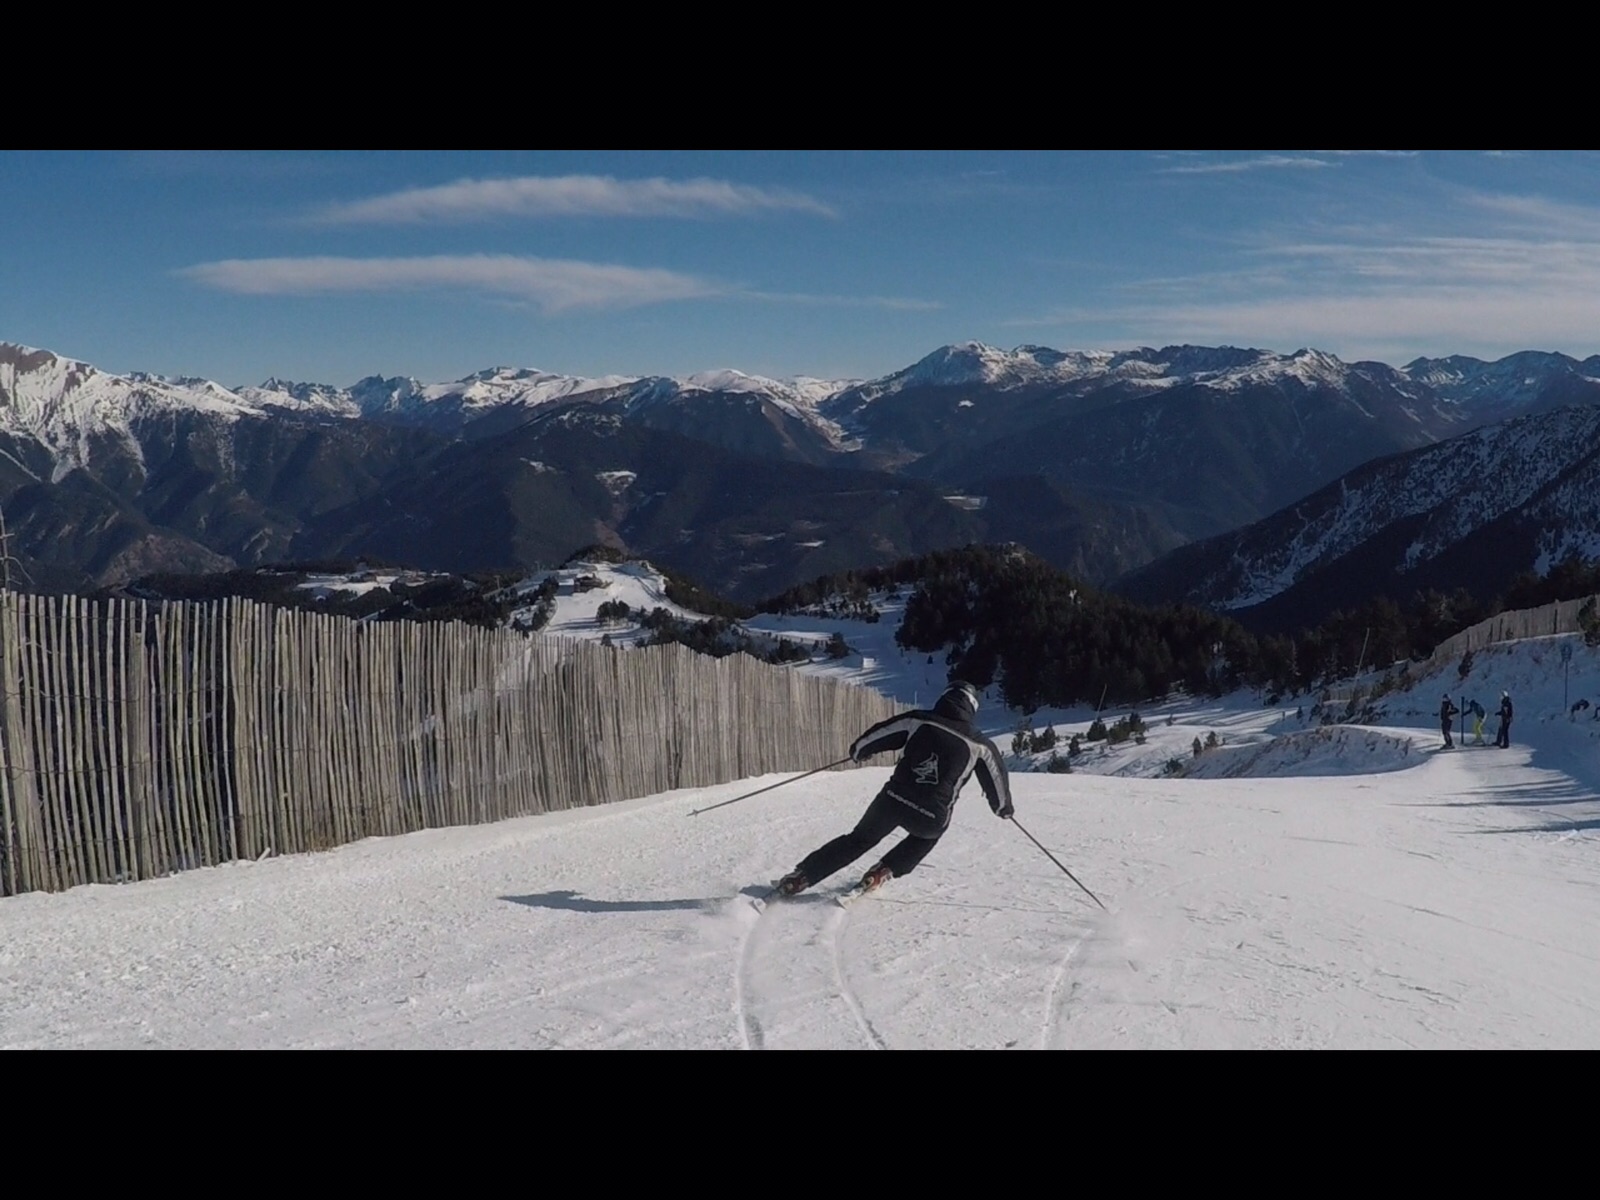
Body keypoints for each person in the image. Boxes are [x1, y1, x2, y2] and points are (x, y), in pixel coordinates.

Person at [771, 680, 1014, 898]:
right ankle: (884, 870)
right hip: (931, 815)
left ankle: (803, 876)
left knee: (859, 839)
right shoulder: (980, 745)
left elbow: (878, 734)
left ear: (944, 698)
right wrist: (1002, 808)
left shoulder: (918, 720)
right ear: (972, 708)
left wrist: (859, 751)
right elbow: (997, 779)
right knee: (927, 837)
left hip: (892, 801)